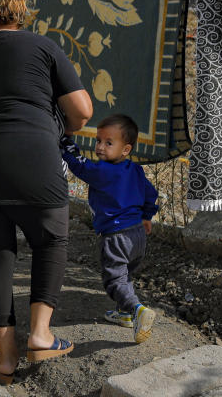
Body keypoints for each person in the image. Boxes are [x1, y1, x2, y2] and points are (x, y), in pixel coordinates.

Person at [0, 0, 93, 385]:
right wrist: (61, 129)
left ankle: (6, 358)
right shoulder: (44, 48)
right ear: (21, 6)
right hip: (33, 158)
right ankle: (40, 335)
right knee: (50, 240)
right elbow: (82, 111)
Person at [60, 114, 158, 344]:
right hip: (138, 235)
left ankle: (137, 310)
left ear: (125, 149)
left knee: (114, 279)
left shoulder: (103, 171)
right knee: (126, 274)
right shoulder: (134, 170)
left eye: (108, 143)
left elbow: (78, 165)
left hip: (115, 237)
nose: (100, 147)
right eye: (98, 141)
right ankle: (124, 313)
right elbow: (150, 193)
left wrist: (65, 143)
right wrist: (147, 217)